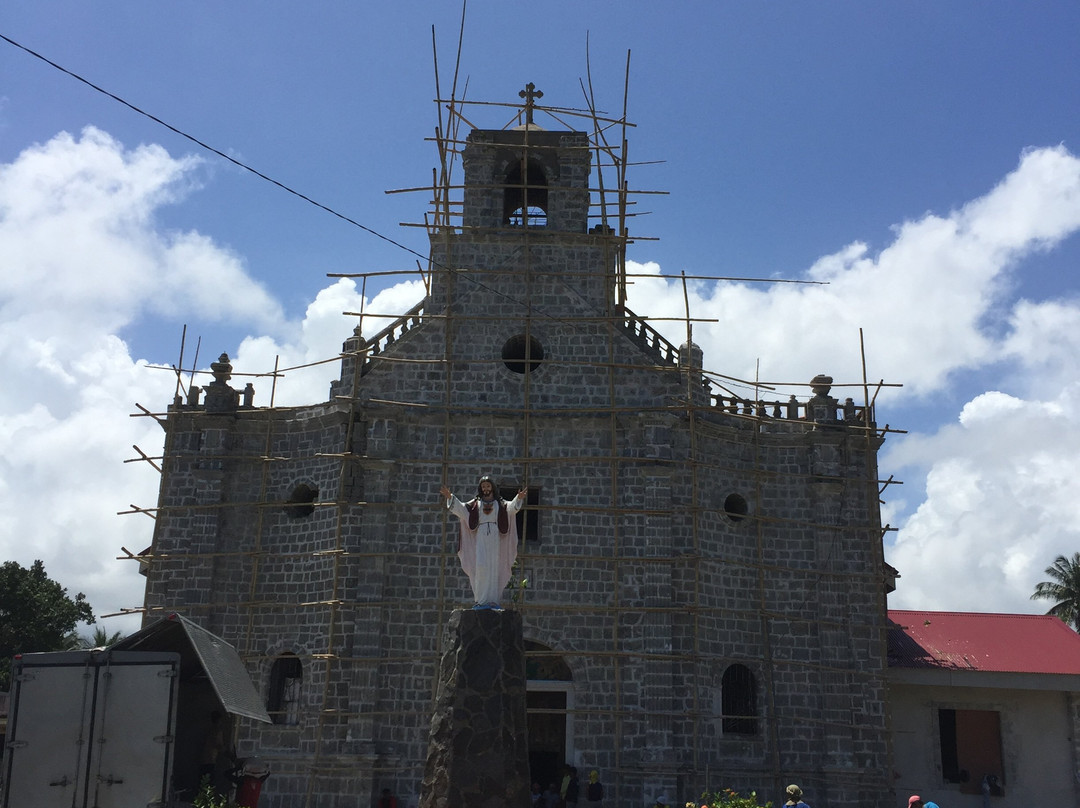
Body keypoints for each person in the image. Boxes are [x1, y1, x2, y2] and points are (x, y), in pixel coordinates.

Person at [440, 476, 526, 607]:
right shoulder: (475, 504)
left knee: (493, 567)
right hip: (481, 537)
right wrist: (450, 497)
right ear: (481, 488)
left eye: (488, 486)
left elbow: (511, 508)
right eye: (484, 486)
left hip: (494, 538)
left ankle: (493, 600)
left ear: (492, 487)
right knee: (481, 566)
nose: (486, 489)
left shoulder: (499, 504)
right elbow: (462, 510)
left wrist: (518, 499)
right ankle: (480, 600)